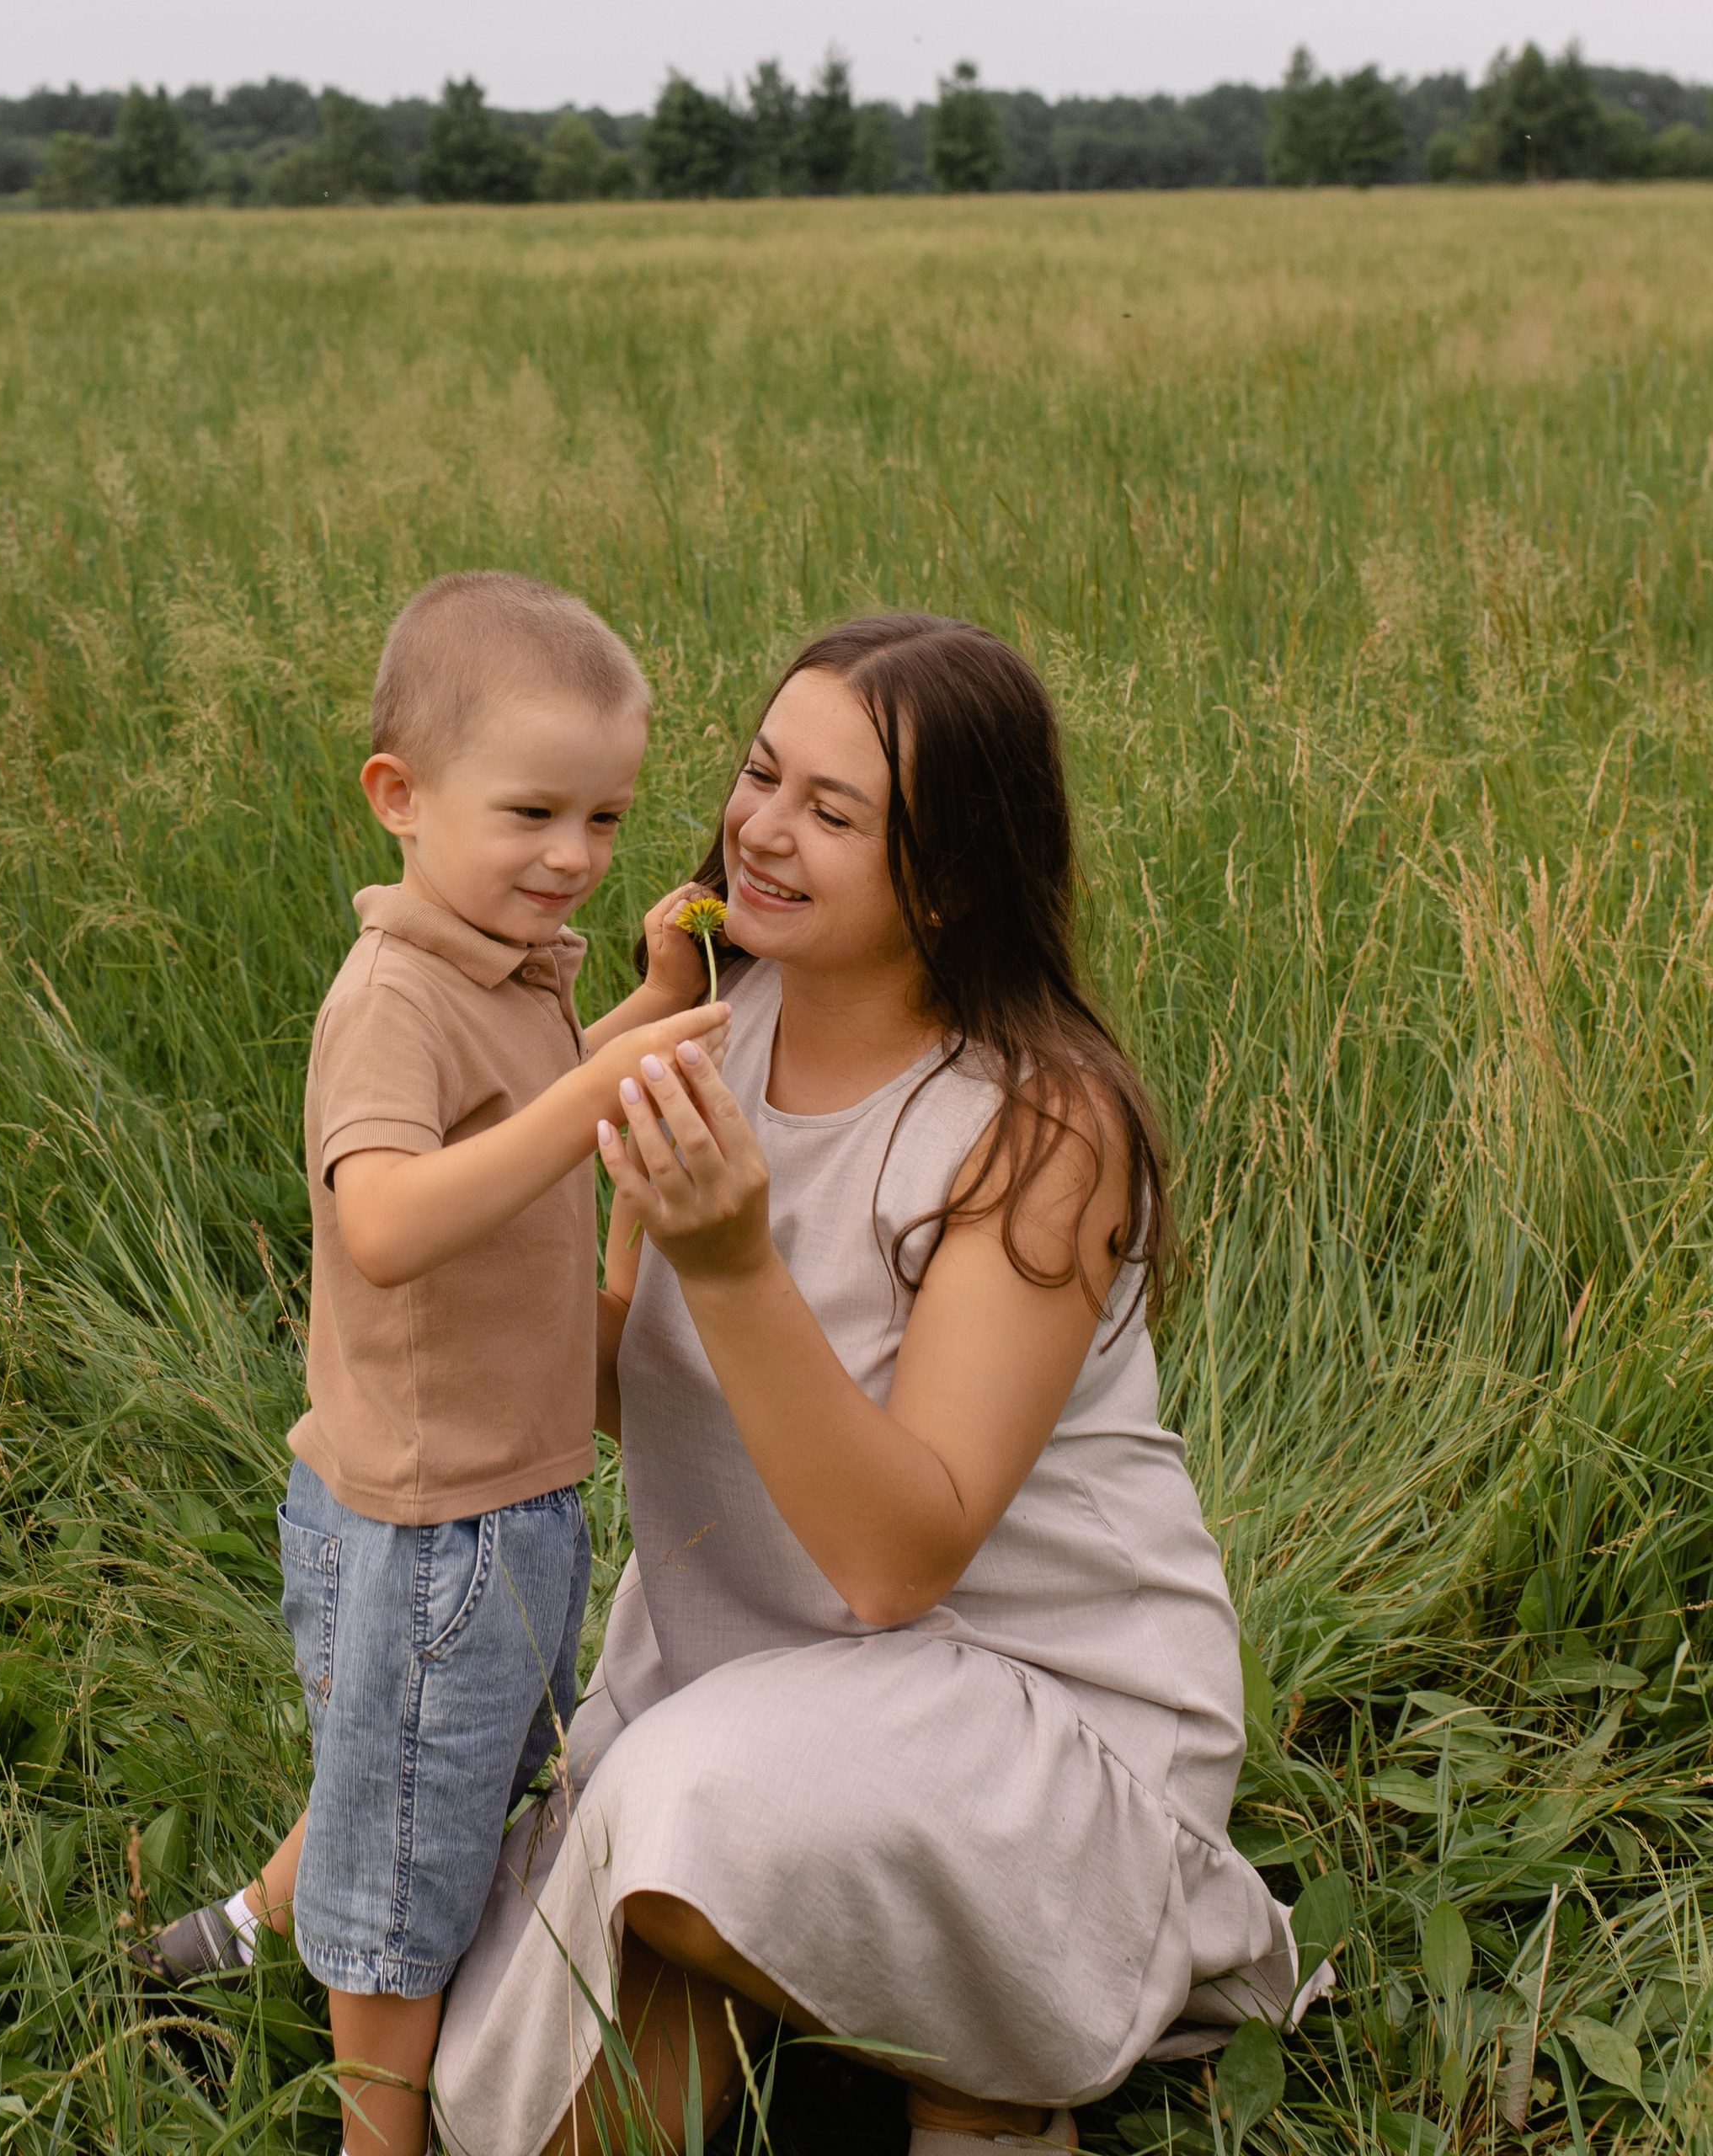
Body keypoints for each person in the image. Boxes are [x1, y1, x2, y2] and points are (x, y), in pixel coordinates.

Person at [431, 615, 1319, 2156]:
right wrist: (457, 1226)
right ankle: (840, 1971)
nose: (762, 831)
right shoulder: (712, 1025)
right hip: (751, 1668)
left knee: (702, 1817)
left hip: (1027, 1702)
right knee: (502, 2111)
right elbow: (638, 1381)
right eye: (760, 776)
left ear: (952, 875)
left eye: (834, 814)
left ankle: (987, 2077)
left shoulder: (1038, 1128)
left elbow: (903, 1558)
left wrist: (735, 1260)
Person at [131, 571, 728, 2156]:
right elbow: (386, 1218)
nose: (574, 857)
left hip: (503, 1498)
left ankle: (236, 1938)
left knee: (412, 1773)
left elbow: (530, 1110)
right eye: (534, 811)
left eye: (606, 820)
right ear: (400, 798)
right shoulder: (394, 996)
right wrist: (583, 1111)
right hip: (427, 1522)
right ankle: (380, 2133)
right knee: (410, 1850)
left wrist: (649, 1010)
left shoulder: (509, 967)